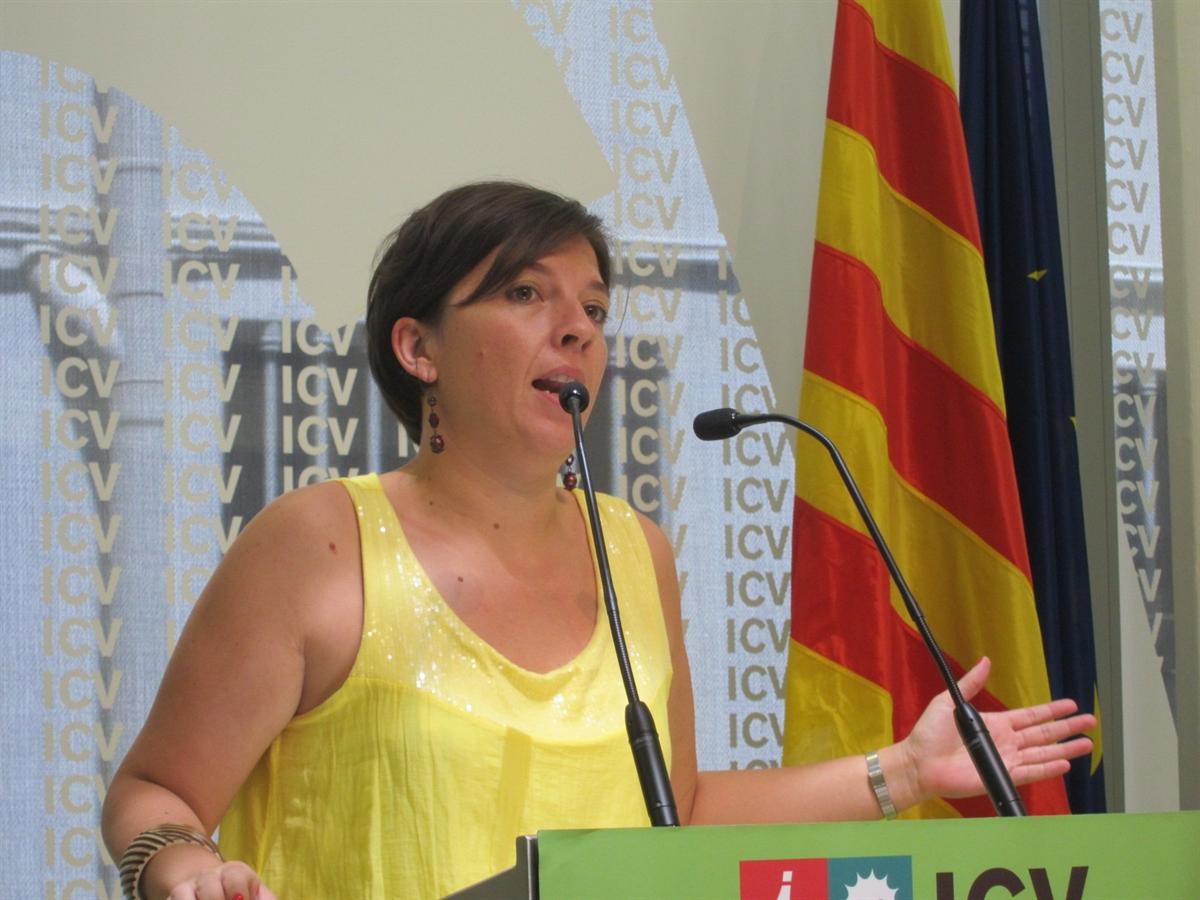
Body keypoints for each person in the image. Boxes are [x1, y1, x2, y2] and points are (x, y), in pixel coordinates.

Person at [102, 182, 1095, 900]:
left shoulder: (634, 551)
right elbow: (156, 792)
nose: (576, 329)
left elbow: (676, 811)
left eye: (594, 309)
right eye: (526, 294)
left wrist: (902, 773)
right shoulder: (318, 543)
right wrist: (185, 871)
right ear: (418, 348)